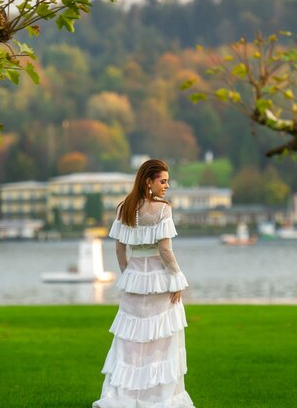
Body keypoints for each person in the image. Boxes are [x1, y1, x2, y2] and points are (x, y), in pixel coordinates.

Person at [93, 159, 195, 408]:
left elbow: (119, 249)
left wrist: (129, 274)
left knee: (131, 341)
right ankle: (157, 398)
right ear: (148, 182)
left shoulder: (123, 208)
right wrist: (177, 279)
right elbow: (164, 250)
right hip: (160, 281)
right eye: (163, 181)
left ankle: (128, 397)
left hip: (134, 281)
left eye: (167, 181)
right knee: (161, 340)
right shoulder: (163, 209)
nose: (167, 186)